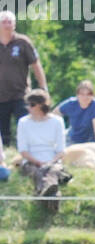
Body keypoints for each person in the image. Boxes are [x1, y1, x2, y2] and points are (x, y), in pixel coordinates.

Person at [0, 11, 46, 151]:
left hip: (21, 94)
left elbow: (36, 65)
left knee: (26, 124)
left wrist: (43, 88)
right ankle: (4, 160)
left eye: (10, 22)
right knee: (3, 132)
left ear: (14, 25)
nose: (7, 24)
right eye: (4, 21)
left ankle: (29, 153)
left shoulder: (23, 42)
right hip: (0, 96)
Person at [15, 88, 67, 204]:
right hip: (31, 160)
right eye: (28, 104)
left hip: (52, 160)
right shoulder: (23, 122)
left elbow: (61, 150)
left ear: (42, 105)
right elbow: (23, 150)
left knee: (52, 171)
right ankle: (52, 195)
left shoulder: (57, 121)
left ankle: (45, 193)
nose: (29, 107)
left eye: (32, 105)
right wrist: (38, 162)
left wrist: (50, 162)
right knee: (37, 171)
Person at [56, 80, 95, 145]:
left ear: (93, 95)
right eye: (82, 94)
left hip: (90, 142)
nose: (85, 97)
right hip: (71, 139)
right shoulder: (71, 103)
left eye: (89, 94)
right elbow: (53, 115)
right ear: (77, 95)